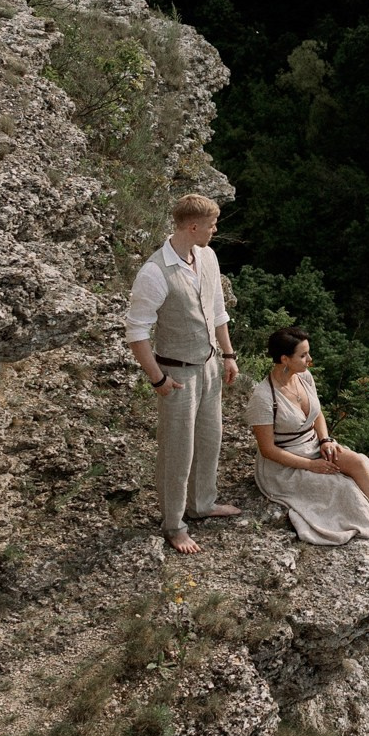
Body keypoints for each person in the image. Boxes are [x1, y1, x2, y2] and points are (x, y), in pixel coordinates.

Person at [246, 327, 369, 571]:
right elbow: (268, 450)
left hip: (313, 445)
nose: (310, 360)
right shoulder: (264, 397)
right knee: (343, 486)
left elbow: (317, 415)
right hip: (285, 463)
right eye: (303, 355)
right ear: (284, 359)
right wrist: (311, 465)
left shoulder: (304, 377)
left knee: (360, 463)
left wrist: (325, 440)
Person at [123, 193, 241, 555]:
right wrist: (158, 378)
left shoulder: (207, 256)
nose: (215, 229)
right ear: (193, 226)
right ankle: (174, 524)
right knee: (177, 452)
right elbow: (136, 332)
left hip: (208, 366)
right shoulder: (155, 272)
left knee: (210, 439)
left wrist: (229, 355)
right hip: (176, 374)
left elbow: (217, 310)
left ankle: (202, 503)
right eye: (211, 224)